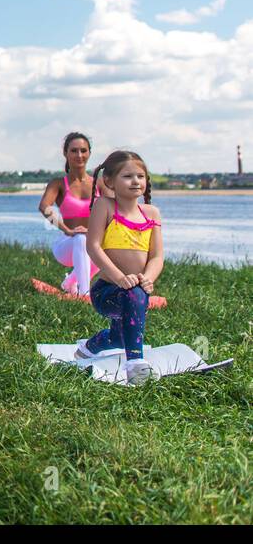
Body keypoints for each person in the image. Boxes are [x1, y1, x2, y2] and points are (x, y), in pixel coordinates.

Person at [76, 150, 164, 386]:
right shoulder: (105, 206)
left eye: (140, 176)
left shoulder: (152, 213)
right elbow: (93, 247)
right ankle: (135, 363)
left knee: (118, 336)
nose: (136, 181)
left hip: (136, 289)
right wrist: (119, 277)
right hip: (107, 291)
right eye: (128, 176)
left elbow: (156, 256)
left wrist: (148, 278)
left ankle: (91, 346)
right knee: (133, 293)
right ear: (109, 181)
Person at [38, 132, 97, 296]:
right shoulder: (58, 184)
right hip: (68, 244)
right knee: (81, 238)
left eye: (83, 150)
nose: (79, 155)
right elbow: (44, 207)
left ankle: (69, 282)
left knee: (107, 244)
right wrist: (67, 230)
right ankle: (85, 293)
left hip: (91, 243)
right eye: (74, 150)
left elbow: (115, 209)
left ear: (89, 153)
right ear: (66, 153)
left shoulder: (99, 183)